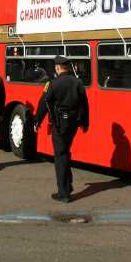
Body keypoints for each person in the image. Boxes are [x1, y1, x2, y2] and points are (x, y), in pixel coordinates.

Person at [33, 56, 89, 203]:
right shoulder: (78, 83)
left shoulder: (52, 83)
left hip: (59, 124)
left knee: (60, 156)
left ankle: (63, 193)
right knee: (65, 151)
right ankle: (68, 184)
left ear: (57, 68)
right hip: (73, 124)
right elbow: (84, 104)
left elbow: (43, 103)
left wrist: (37, 121)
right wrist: (85, 123)